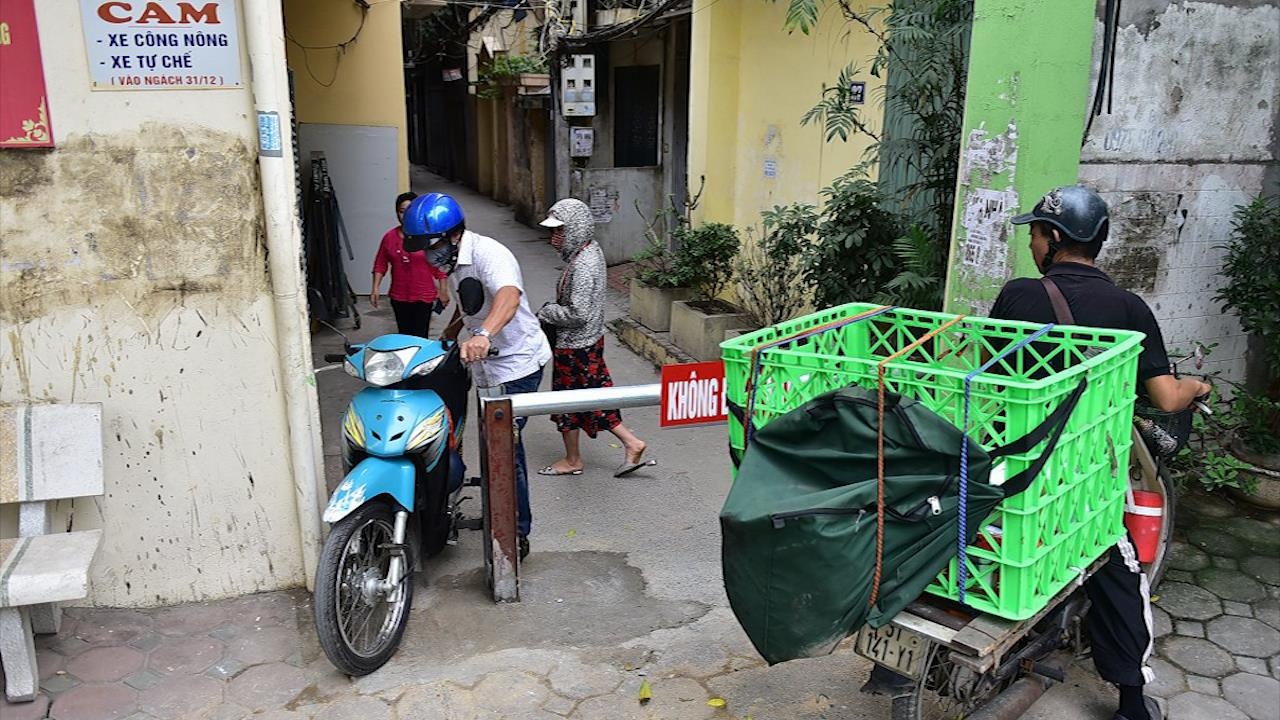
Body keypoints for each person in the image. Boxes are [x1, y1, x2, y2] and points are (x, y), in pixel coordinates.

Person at [989, 185, 1210, 720]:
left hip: (1012, 464)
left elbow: (994, 376)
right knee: (1117, 562)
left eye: (1036, 233)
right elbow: (1164, 396)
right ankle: (1133, 700)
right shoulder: (1129, 308)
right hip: (1081, 473)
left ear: (1055, 239)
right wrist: (1198, 387)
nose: (1032, 243)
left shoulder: (1018, 295)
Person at [402, 192, 551, 561]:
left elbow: (507, 297)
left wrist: (483, 335)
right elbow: (470, 307)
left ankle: (516, 533)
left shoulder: (489, 254)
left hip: (517, 364)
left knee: (506, 448)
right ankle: (499, 510)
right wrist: (451, 335)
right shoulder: (453, 265)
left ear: (453, 235)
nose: (425, 254)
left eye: (429, 245)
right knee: (490, 444)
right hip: (486, 366)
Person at [534, 199, 655, 478]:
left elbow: (579, 312)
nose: (554, 239)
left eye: (560, 232)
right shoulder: (588, 252)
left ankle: (582, 457)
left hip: (575, 346)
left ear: (576, 228)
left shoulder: (584, 264)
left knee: (569, 404)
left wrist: (548, 311)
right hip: (585, 343)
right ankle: (613, 448)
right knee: (594, 397)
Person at [371, 191, 450, 338]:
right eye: (401, 211)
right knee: (404, 337)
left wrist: (444, 290)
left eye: (409, 211)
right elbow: (380, 264)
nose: (405, 215)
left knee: (420, 337)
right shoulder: (389, 237)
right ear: (396, 213)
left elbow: (440, 265)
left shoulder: (428, 236)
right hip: (399, 296)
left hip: (424, 296)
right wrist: (375, 288)